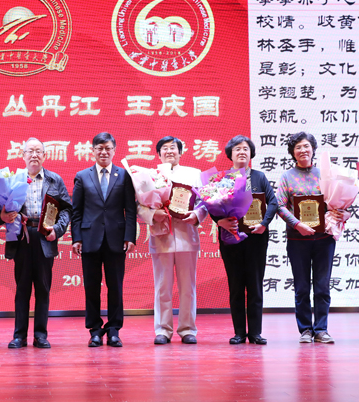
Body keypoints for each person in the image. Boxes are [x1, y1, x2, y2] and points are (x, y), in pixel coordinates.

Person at [0, 138, 72, 349]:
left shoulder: (54, 180)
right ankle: (19, 336)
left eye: (39, 151)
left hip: (45, 235)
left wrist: (57, 230)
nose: (34, 155)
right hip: (22, 237)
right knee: (22, 288)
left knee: (43, 288)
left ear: (45, 156)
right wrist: (3, 215)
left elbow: (67, 209)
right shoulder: (14, 180)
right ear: (23, 156)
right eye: (30, 151)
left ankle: (40, 335)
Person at [136, 136, 207, 345]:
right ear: (158, 154)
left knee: (188, 287)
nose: (169, 151)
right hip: (162, 237)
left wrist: (197, 215)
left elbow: (204, 200)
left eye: (173, 148)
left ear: (180, 152)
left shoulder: (194, 174)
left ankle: (188, 329)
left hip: (187, 236)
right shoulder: (150, 176)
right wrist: (152, 215)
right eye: (164, 148)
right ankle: (163, 330)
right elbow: (139, 205)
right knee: (162, 287)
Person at [276, 132, 342, 344]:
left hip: (324, 239)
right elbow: (279, 205)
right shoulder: (287, 177)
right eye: (298, 147)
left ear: (313, 149)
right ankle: (305, 329)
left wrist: (340, 213)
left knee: (322, 286)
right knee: (302, 287)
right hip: (297, 240)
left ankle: (321, 329)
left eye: (306, 146)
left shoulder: (326, 175)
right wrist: (297, 224)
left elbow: (337, 203)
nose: (303, 150)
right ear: (292, 152)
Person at [72, 132, 136, 348]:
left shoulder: (124, 175)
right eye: (99, 148)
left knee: (115, 286)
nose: (103, 152)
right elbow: (76, 211)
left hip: (116, 239)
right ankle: (95, 330)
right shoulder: (82, 176)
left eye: (108, 148)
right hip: (89, 239)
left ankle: (114, 329)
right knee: (91, 287)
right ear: (93, 151)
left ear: (114, 150)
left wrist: (129, 236)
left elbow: (130, 209)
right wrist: (76, 238)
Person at [214, 136, 277, 345]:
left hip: (256, 238)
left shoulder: (259, 176)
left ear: (251, 154)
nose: (242, 152)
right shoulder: (222, 178)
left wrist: (264, 223)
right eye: (237, 149)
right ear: (230, 154)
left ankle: (255, 333)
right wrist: (219, 221)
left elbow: (273, 202)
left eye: (246, 149)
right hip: (231, 238)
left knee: (255, 286)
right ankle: (239, 333)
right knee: (236, 286)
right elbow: (210, 203)